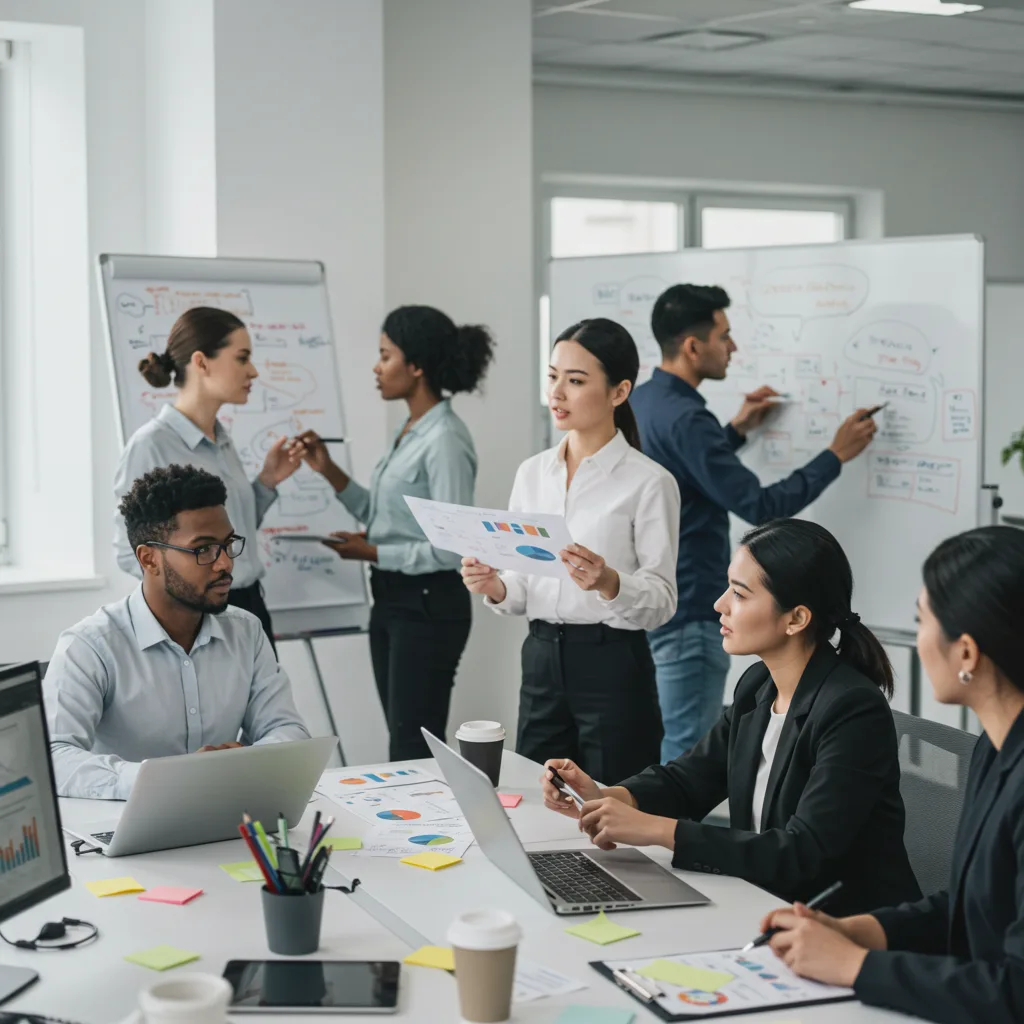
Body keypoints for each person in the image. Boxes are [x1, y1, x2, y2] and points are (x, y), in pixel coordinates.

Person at [539, 518, 921, 917]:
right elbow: (689, 780)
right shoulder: (758, 685)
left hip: (841, 926)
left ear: (796, 619)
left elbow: (802, 854)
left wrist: (653, 828)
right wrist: (604, 796)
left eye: (739, 594)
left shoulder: (852, 709)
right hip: (763, 902)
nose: (719, 604)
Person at [760, 526, 1024, 1023]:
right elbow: (976, 907)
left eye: (921, 622)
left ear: (966, 653)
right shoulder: (998, 743)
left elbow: (1015, 991)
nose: (917, 639)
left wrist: (856, 967)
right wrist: (863, 932)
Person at [631, 284, 879, 762]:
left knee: (665, 744)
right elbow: (763, 508)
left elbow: (687, 470)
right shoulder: (687, 418)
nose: (734, 347)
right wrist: (836, 454)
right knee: (687, 757)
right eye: (725, 335)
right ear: (692, 346)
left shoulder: (644, 403)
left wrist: (735, 432)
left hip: (655, 601)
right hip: (693, 608)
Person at [462, 318, 679, 784]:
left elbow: (661, 602)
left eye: (576, 381)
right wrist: (496, 586)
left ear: (620, 392)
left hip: (613, 665)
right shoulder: (533, 473)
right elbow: (523, 580)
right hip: (541, 657)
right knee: (536, 797)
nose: (557, 392)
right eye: (553, 376)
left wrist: (608, 582)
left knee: (614, 808)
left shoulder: (650, 482)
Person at [295, 306, 494, 761]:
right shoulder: (411, 428)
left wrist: (374, 552)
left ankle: (427, 833)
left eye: (385, 355)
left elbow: (452, 549)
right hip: (392, 600)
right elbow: (386, 516)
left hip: (427, 604)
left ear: (416, 366)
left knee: (410, 746)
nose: (376, 367)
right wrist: (328, 470)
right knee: (402, 739)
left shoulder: (444, 438)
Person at [44, 465, 310, 800]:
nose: (225, 563)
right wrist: (161, 779)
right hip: (126, 829)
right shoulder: (90, 645)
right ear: (149, 559)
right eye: (204, 549)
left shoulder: (246, 631)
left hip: (225, 817)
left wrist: (245, 761)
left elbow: (287, 729)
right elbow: (54, 756)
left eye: (228, 545)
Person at [114, 306, 304, 651]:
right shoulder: (152, 445)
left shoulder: (222, 439)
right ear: (201, 363)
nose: (254, 371)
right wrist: (193, 600)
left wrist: (266, 483)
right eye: (242, 358)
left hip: (251, 608)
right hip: (199, 615)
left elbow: (228, 534)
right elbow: (129, 552)